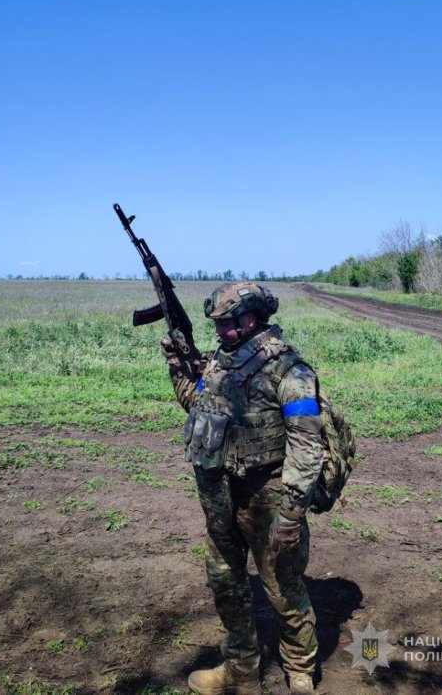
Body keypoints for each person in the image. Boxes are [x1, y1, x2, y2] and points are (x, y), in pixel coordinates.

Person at [161, 282, 325, 695]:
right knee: (226, 582)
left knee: (282, 586)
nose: (219, 329)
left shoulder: (290, 369)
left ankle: (301, 670)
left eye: (227, 322)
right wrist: (179, 366)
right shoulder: (220, 362)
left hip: (268, 496)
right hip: (221, 496)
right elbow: (199, 406)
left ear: (253, 318)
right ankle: (241, 671)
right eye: (216, 323)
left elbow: (307, 447)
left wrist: (291, 514)